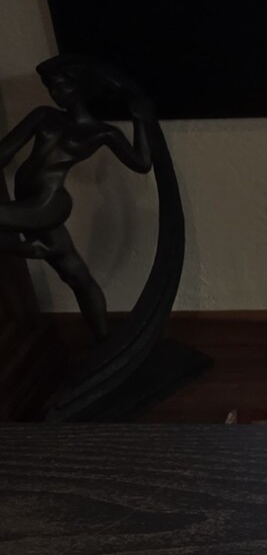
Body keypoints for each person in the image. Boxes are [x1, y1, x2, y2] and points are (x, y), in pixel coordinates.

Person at [0, 54, 154, 341]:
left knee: (53, 258)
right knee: (76, 275)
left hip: (47, 205)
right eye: (51, 87)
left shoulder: (102, 132)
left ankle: (35, 249)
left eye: (61, 86)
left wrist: (140, 119)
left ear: (80, 88)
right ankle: (103, 339)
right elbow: (4, 152)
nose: (55, 94)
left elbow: (142, 163)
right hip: (28, 203)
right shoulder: (43, 115)